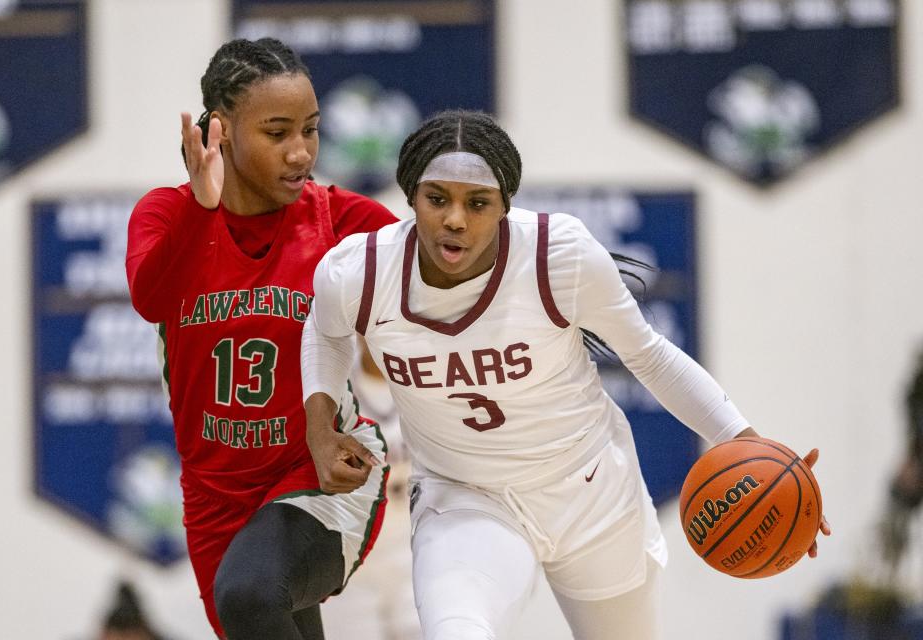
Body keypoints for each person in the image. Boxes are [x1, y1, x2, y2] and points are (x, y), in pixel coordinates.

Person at [301, 110, 831, 640]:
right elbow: (322, 333)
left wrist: (746, 444)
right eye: (437, 198)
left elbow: (648, 355)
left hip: (587, 489)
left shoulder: (559, 255)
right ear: (411, 197)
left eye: (478, 202)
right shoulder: (359, 272)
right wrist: (319, 427)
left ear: (505, 206)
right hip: (466, 497)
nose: (455, 219)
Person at [125, 38, 398, 640]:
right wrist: (202, 207)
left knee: (250, 593)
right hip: (214, 496)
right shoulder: (166, 215)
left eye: (311, 129)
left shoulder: (341, 220)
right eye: (277, 133)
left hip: (321, 467)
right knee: (257, 608)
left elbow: (436, 265)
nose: (301, 152)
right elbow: (151, 299)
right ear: (218, 130)